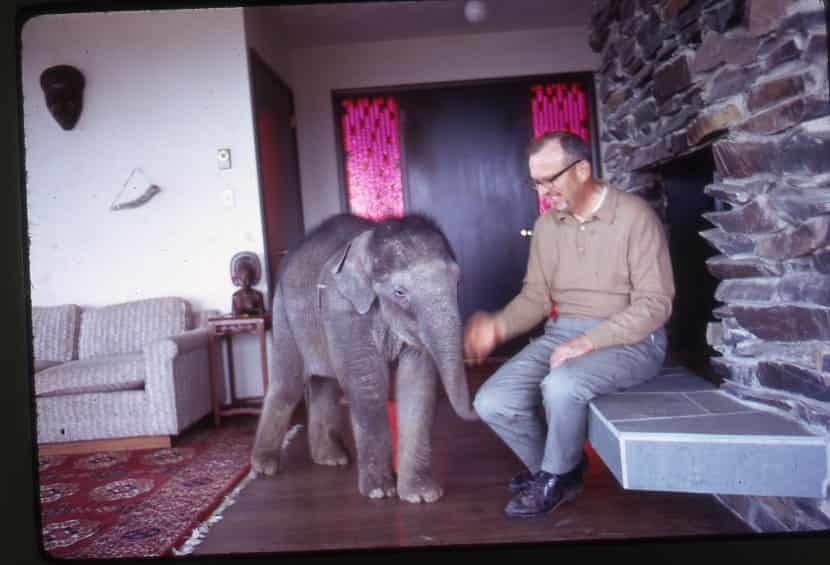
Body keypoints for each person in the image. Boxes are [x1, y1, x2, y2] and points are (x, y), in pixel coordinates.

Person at [464, 130, 675, 519]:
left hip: (632, 339)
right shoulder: (547, 226)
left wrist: (588, 342)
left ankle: (553, 476)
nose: (543, 191)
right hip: (563, 332)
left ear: (582, 170)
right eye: (535, 181)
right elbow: (536, 299)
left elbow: (655, 304)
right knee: (492, 401)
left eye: (550, 179)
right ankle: (564, 471)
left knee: (561, 384)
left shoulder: (634, 217)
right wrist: (498, 326)